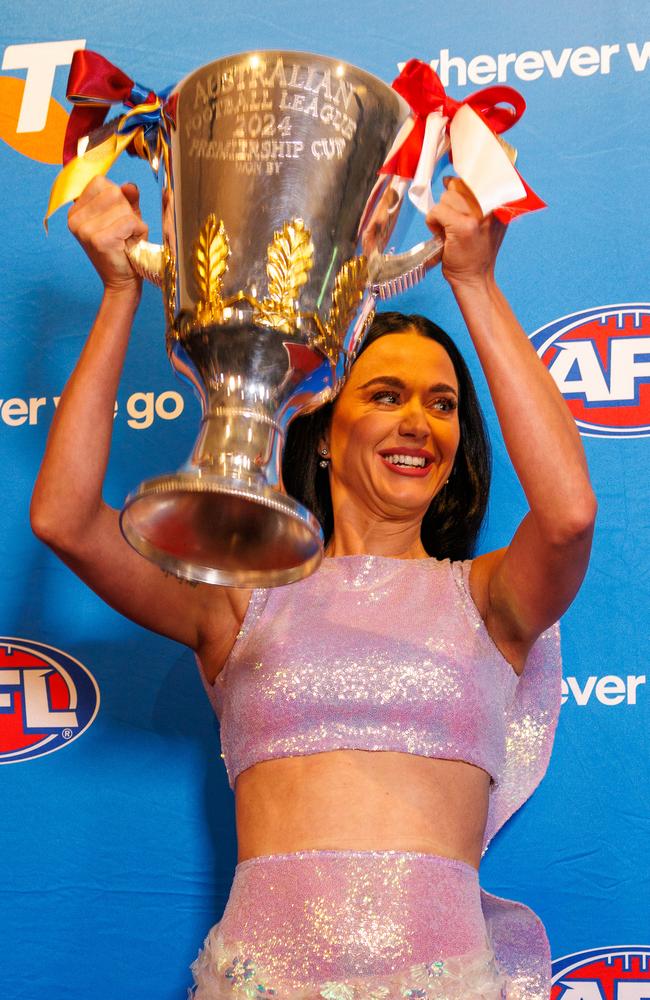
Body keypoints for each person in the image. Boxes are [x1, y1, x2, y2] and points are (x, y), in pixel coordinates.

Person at [30, 173, 596, 1000]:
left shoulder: (492, 600)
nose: (418, 423)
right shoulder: (240, 594)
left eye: (442, 405)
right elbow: (66, 521)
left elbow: (571, 515)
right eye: (387, 394)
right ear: (325, 429)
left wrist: (474, 281)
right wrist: (120, 290)